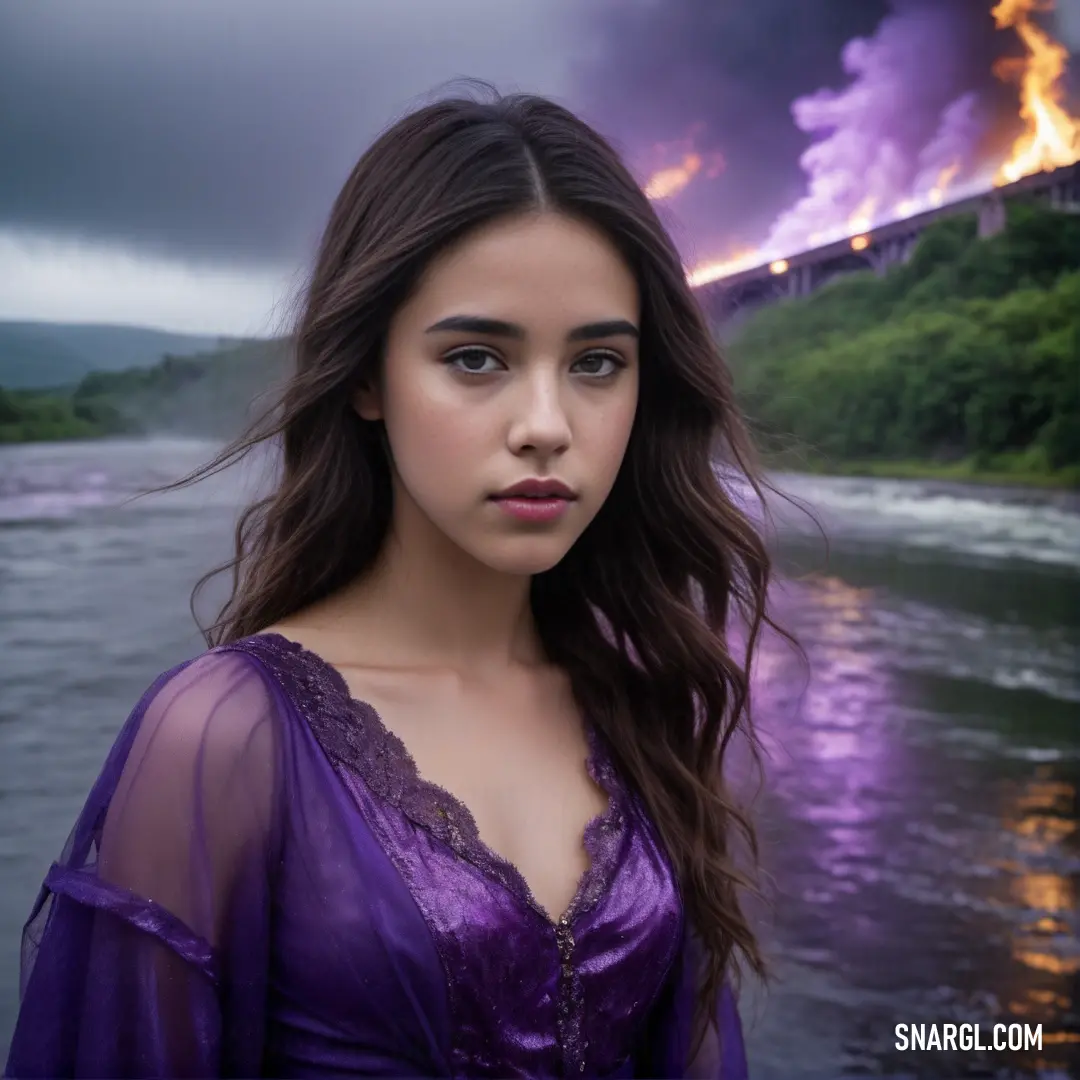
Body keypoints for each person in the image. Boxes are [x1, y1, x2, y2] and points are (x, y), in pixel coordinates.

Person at [5, 88, 780, 1078]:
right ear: (367, 377)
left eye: (595, 363)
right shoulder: (229, 739)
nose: (546, 423)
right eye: (475, 358)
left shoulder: (642, 702)